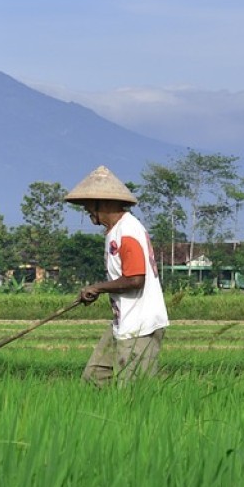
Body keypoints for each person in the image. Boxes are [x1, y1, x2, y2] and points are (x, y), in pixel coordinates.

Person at [65, 165, 169, 386]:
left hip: (140, 325)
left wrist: (98, 287)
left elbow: (135, 279)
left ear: (104, 203)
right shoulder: (116, 231)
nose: (88, 212)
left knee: (132, 393)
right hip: (123, 321)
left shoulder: (128, 231)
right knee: (94, 378)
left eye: (89, 206)